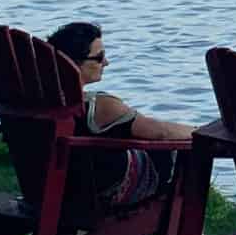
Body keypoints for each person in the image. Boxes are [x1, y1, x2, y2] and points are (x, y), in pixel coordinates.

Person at [45, 20, 193, 212]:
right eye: (99, 58)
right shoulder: (100, 107)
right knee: (180, 156)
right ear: (73, 63)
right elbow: (161, 133)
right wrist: (201, 133)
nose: (106, 62)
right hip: (95, 192)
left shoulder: (40, 102)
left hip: (49, 186)